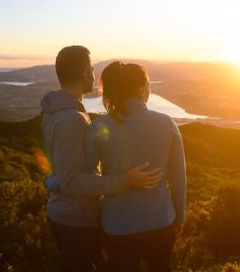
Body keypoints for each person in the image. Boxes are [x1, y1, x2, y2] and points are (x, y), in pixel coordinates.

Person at [41, 46, 162, 272]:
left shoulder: (54, 111)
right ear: (83, 73)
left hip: (64, 214)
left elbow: (63, 172)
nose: (94, 75)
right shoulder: (71, 120)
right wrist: (126, 180)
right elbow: (73, 181)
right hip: (77, 220)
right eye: (92, 68)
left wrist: (50, 181)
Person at [89, 61, 187, 272]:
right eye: (149, 85)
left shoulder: (100, 127)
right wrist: (179, 216)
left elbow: (86, 178)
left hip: (117, 226)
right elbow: (179, 178)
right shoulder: (167, 124)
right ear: (142, 88)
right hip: (162, 221)